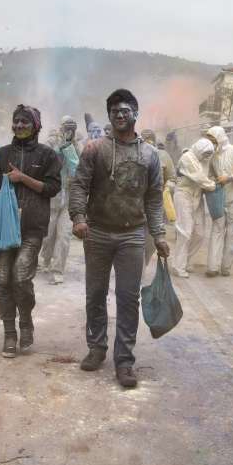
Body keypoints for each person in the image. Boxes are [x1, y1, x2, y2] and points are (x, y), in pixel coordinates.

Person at [69, 88, 168, 388]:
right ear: (109, 116)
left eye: (125, 111)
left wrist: (160, 234)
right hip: (97, 231)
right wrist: (78, 218)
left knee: (128, 299)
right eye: (114, 112)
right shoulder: (94, 149)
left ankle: (124, 361)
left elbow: (154, 199)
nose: (120, 115)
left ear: (135, 114)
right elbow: (79, 186)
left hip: (132, 235)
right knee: (95, 294)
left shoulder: (150, 155)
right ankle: (96, 348)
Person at [0, 105, 61, 358]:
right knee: (1, 279)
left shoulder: (48, 155)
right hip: (4, 229)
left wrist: (22, 178)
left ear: (36, 125)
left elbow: (52, 188)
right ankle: (9, 332)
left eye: (25, 122)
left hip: (32, 229)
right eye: (16, 121)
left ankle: (25, 321)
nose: (19, 126)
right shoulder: (1, 154)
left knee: (20, 277)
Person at [204, 126, 233, 277]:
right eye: (209, 140)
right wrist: (211, 182)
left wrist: (230, 178)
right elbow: (210, 174)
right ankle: (212, 267)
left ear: (220, 138)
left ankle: (225, 267)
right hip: (221, 198)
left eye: (213, 139)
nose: (211, 142)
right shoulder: (213, 156)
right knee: (216, 230)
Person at [40, 115, 80, 284]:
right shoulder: (50, 143)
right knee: (48, 235)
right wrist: (57, 147)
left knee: (64, 235)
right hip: (51, 197)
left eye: (72, 129)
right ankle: (46, 260)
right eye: (66, 128)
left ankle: (58, 270)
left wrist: (68, 148)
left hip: (68, 198)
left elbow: (77, 171)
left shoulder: (77, 147)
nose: (69, 132)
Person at [170, 137, 216, 278]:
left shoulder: (205, 160)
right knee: (185, 231)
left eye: (209, 154)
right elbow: (200, 178)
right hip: (184, 194)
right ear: (198, 149)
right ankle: (178, 266)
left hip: (197, 195)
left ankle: (185, 260)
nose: (207, 156)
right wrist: (213, 185)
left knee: (200, 233)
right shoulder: (187, 158)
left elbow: (205, 177)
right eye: (205, 153)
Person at [140, 128, 175, 263]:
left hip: (155, 206)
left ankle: (145, 263)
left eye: (150, 141)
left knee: (150, 244)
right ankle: (136, 275)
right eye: (144, 141)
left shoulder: (163, 156)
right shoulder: (134, 153)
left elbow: (172, 178)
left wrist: (168, 187)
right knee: (135, 245)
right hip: (136, 206)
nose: (147, 144)